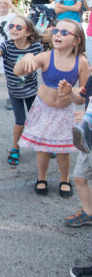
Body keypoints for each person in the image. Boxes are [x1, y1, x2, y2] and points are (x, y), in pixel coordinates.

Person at [15, 19, 89, 196]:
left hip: (64, 112)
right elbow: (18, 71)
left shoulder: (82, 62)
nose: (58, 35)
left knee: (63, 152)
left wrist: (70, 93)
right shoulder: (46, 56)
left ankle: (65, 179)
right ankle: (42, 177)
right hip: (43, 110)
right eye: (56, 31)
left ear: (77, 40)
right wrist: (26, 57)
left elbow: (82, 97)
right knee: (43, 148)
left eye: (64, 33)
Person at [0, 15, 42, 166]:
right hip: (15, 93)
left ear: (29, 32)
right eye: (11, 26)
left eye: (19, 27)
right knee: (20, 121)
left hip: (31, 92)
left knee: (36, 120)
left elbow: (45, 64)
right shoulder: (6, 46)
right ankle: (15, 148)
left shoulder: (36, 47)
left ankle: (43, 144)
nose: (13, 29)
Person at [62, 73, 92, 228]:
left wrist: (87, 116)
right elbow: (81, 99)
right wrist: (69, 93)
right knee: (80, 177)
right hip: (88, 140)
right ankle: (88, 213)